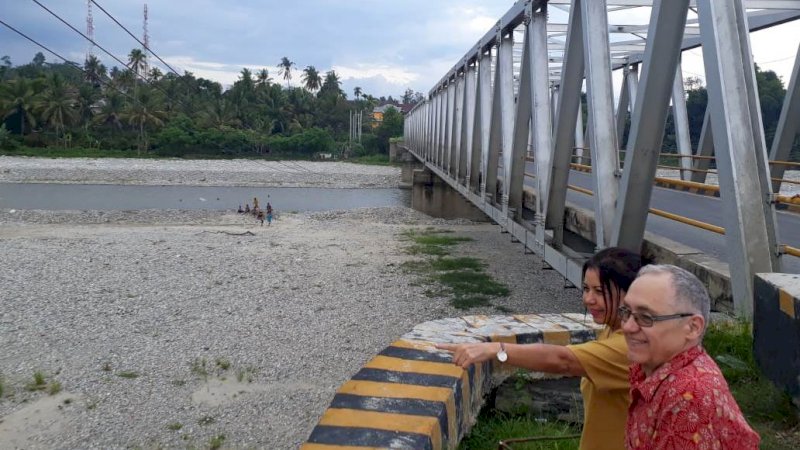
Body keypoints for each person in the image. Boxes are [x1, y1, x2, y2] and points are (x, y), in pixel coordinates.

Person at [437, 247, 643, 450]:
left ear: (632, 294)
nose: (588, 299)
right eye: (586, 289)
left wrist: (495, 349)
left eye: (600, 291)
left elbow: (563, 360)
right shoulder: (612, 329)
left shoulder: (629, 346)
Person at [620, 264, 759, 449]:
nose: (628, 327)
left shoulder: (689, 396)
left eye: (646, 317)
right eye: (626, 312)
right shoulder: (658, 370)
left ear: (693, 327)